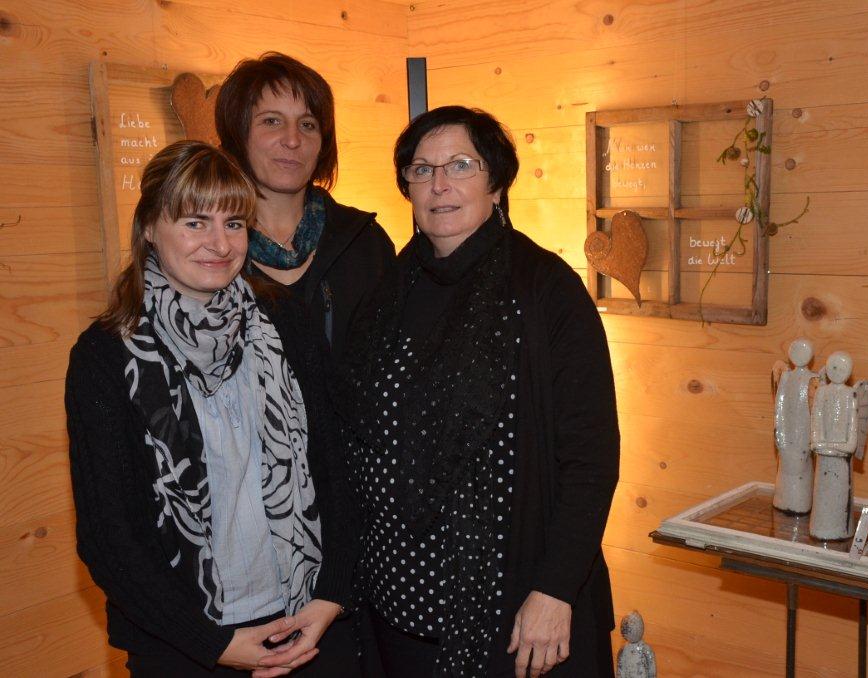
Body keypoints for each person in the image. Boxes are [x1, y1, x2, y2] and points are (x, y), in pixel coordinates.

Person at [340, 106, 620, 677]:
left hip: (513, 609)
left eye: (460, 165)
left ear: (496, 181)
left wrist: (555, 588)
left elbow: (590, 457)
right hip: (397, 606)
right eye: (422, 169)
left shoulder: (545, 290)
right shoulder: (387, 292)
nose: (439, 184)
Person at [66, 141, 361, 677]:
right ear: (149, 228)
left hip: (307, 623)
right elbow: (109, 536)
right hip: (185, 646)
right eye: (195, 222)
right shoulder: (105, 357)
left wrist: (333, 594)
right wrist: (211, 643)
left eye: (234, 223)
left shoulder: (287, 325)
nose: (220, 244)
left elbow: (337, 467)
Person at [215, 51, 394, 359]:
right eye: (272, 121)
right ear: (238, 135)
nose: (293, 139)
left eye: (308, 124)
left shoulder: (366, 243)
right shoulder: (210, 249)